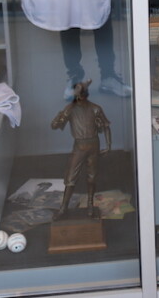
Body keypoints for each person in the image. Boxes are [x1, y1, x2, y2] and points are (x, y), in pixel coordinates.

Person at [51, 79, 111, 219]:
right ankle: (63, 207)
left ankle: (90, 204)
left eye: (81, 91)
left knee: (92, 177)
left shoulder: (95, 108)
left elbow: (106, 126)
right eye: (79, 92)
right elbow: (55, 126)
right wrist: (59, 117)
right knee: (71, 177)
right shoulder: (70, 109)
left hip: (93, 144)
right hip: (79, 146)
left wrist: (108, 145)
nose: (80, 95)